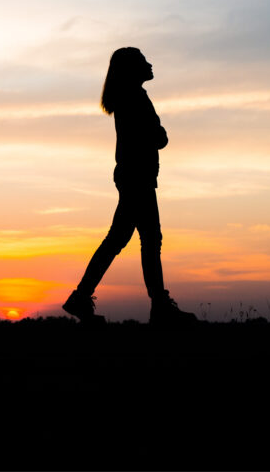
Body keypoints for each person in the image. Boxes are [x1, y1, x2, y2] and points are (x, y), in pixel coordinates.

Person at [63, 47, 197, 326]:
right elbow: (157, 137)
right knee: (147, 240)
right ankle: (159, 307)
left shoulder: (130, 96)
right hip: (137, 177)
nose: (150, 64)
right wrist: (159, 134)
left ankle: (83, 297)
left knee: (125, 240)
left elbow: (153, 136)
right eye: (143, 61)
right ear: (132, 69)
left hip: (134, 176)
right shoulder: (134, 97)